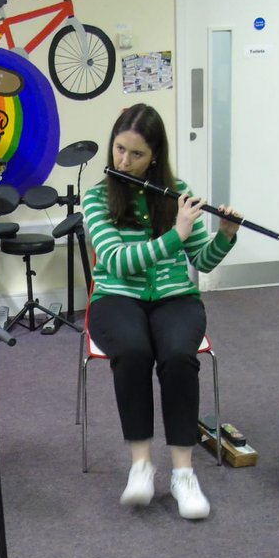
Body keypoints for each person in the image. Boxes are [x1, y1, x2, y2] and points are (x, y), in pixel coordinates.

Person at [82, 103, 244, 520]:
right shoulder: (97, 196)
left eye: (136, 154)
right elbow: (116, 260)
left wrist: (225, 236)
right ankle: (141, 466)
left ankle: (183, 473)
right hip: (116, 297)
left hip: (174, 297)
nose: (124, 161)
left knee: (176, 355)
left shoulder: (178, 191)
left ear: (155, 155)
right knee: (134, 351)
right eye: (119, 149)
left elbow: (203, 261)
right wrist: (176, 235)